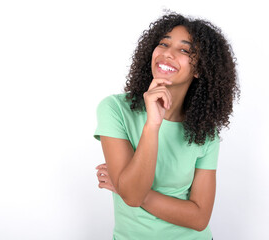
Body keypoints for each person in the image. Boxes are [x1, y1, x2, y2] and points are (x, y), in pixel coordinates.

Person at [94, 12, 240, 240]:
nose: (167, 54)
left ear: (200, 69)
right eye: (163, 43)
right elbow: (131, 196)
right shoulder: (115, 109)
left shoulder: (205, 132)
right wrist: (153, 124)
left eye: (185, 50)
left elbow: (199, 218)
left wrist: (128, 188)